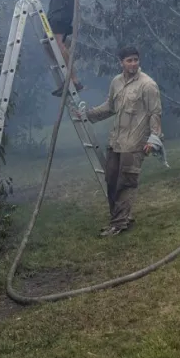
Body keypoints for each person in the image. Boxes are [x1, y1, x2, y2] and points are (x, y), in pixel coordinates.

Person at [73, 46, 163, 237]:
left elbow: (155, 112)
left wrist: (153, 140)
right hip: (116, 141)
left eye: (135, 60)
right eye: (129, 60)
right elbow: (110, 106)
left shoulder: (148, 85)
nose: (133, 64)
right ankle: (122, 217)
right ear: (121, 62)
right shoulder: (116, 82)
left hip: (135, 142)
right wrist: (87, 114)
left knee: (126, 183)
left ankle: (118, 224)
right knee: (111, 180)